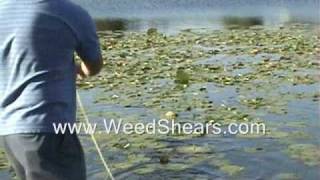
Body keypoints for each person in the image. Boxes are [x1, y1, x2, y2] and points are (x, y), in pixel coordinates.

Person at [0, 0, 103, 179]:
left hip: (9, 130)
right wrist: (80, 70)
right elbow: (94, 64)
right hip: (48, 127)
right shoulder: (70, 13)